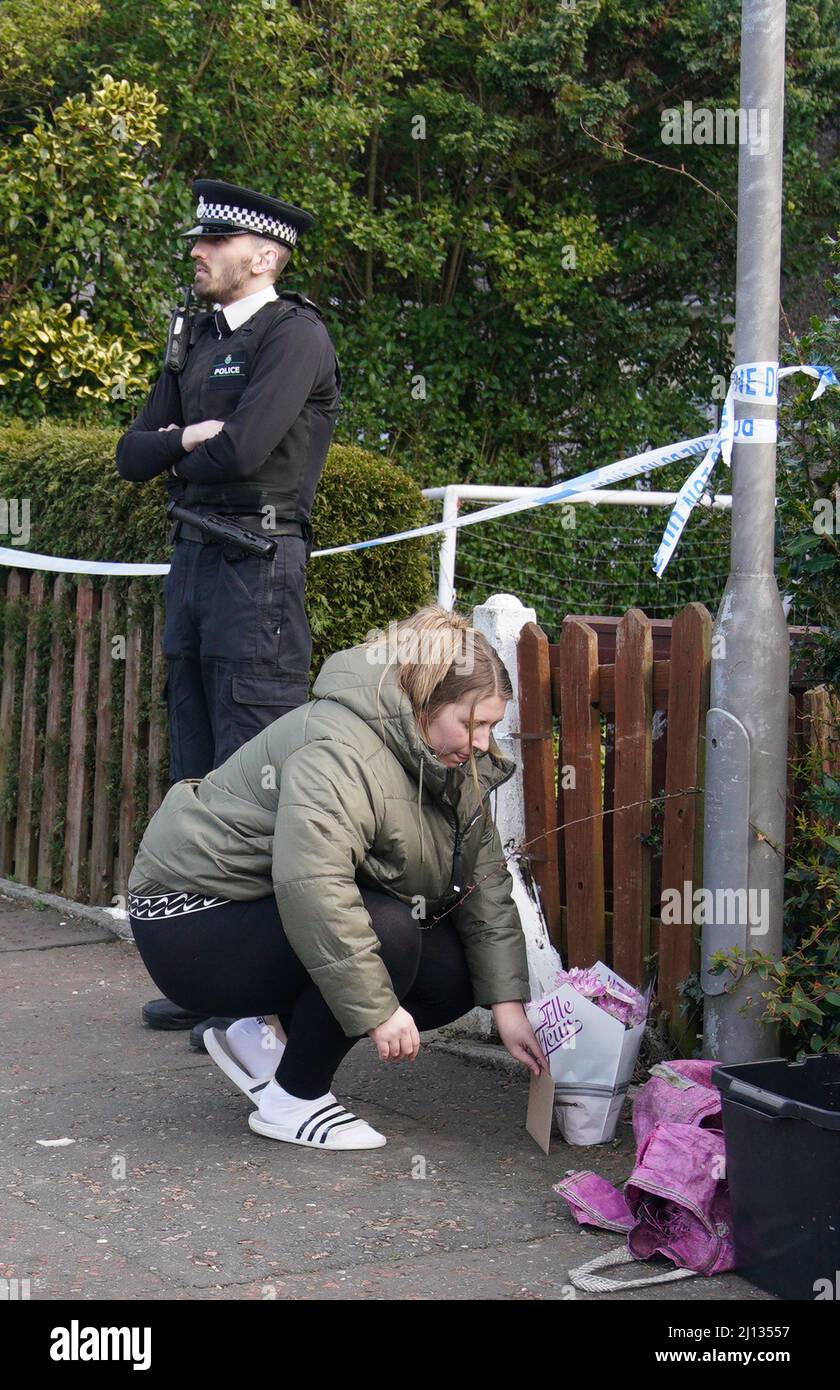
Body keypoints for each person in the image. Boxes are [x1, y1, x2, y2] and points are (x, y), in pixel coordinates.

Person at [126, 605, 549, 1150]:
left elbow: (483, 880)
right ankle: (294, 1099)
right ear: (424, 699)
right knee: (389, 934)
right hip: (188, 919)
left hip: (257, 907)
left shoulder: (444, 758)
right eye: (474, 722)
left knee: (453, 974)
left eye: (492, 726)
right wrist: (377, 1008)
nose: (484, 742)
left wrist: (508, 1008)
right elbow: (315, 885)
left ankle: (263, 1036)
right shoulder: (337, 746)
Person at [115, 177, 342, 1039]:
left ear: (264, 255)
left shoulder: (297, 337)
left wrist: (196, 449)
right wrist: (186, 442)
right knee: (199, 777)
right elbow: (132, 455)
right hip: (196, 564)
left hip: (259, 572)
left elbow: (248, 450)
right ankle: (210, 978)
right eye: (198, 241)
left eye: (213, 242)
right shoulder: (198, 337)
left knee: (261, 774)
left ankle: (272, 987)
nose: (197, 253)